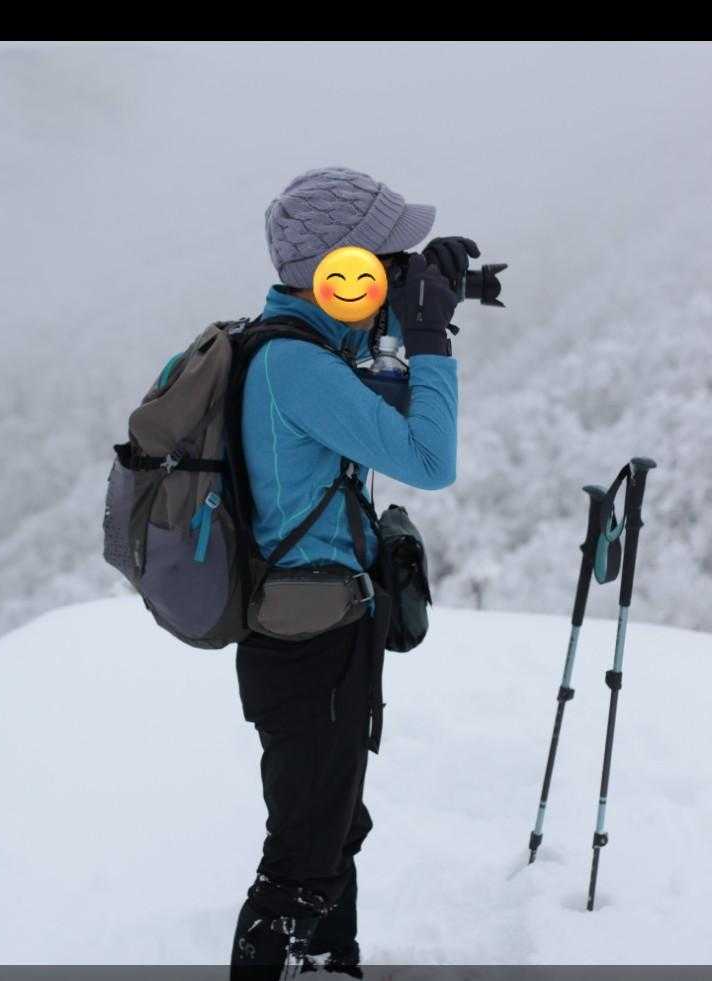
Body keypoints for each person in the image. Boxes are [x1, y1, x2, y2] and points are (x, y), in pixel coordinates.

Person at [230, 166, 466, 979]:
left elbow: (381, 389)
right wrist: (429, 338)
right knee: (303, 854)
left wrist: (432, 297)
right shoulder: (295, 368)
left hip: (325, 630)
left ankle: (332, 961)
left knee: (332, 826)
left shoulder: (312, 345)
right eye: (385, 258)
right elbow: (429, 457)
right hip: (305, 645)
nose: (393, 273)